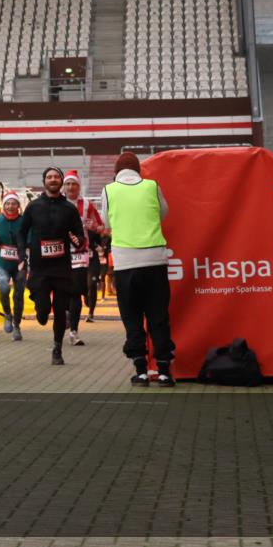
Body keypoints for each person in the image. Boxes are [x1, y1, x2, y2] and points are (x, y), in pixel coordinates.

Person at [100, 152, 176, 388]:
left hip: (125, 264)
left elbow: (107, 222)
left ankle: (141, 371)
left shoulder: (108, 190)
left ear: (117, 171)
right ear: (137, 170)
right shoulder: (152, 186)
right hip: (154, 260)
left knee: (132, 318)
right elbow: (164, 213)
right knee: (158, 316)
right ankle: (164, 371)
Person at [17, 167, 86, 365]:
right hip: (39, 268)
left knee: (60, 308)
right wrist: (23, 255)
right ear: (44, 181)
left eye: (56, 177)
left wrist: (77, 240)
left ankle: (57, 348)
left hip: (62, 268)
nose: (53, 180)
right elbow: (21, 232)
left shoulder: (70, 209)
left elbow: (80, 237)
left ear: (62, 182)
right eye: (49, 177)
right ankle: (40, 310)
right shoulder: (33, 206)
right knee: (43, 313)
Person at [62, 170, 104, 345]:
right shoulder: (56, 203)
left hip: (80, 254)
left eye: (74, 184)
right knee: (62, 293)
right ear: (64, 186)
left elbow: (102, 227)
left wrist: (94, 226)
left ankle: (74, 332)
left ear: (79, 187)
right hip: (60, 254)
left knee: (77, 292)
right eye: (68, 184)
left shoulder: (87, 205)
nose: (71, 187)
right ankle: (65, 313)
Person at [0, 191, 26, 341]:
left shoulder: (23, 221)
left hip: (20, 262)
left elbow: (31, 235)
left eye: (13, 203)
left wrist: (22, 243)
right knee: (3, 287)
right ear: (3, 205)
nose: (10, 206)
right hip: (1, 262)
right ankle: (7, 314)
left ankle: (17, 325)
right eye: (7, 203)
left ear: (18, 205)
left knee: (19, 294)